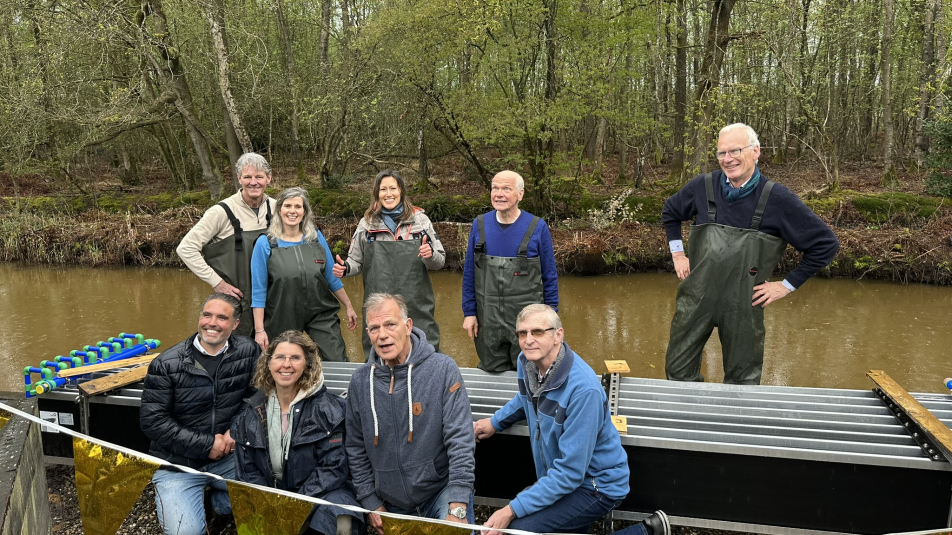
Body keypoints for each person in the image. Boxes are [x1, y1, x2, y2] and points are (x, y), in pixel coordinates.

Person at [662, 123, 839, 385]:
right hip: (696, 297)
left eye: (735, 151)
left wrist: (786, 286)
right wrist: (678, 254)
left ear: (756, 152)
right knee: (677, 372)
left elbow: (826, 244)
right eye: (722, 153)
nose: (728, 159)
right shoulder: (703, 186)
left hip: (744, 304)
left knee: (742, 381)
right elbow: (671, 211)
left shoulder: (778, 199)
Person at [472, 304, 668, 535]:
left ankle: (645, 532)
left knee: (517, 531)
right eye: (522, 333)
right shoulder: (527, 363)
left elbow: (570, 472)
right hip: (563, 477)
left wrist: (510, 510)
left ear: (558, 335)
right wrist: (495, 422)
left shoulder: (584, 391)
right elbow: (526, 398)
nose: (528, 340)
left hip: (597, 485)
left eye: (537, 332)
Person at [345, 293, 476, 535]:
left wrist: (457, 505)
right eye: (374, 328)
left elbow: (460, 439)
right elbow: (355, 446)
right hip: (392, 502)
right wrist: (370, 501)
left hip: (439, 492)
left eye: (390, 324)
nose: (382, 335)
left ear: (408, 326)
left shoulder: (442, 369)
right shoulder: (360, 382)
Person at [139, 293, 259, 535]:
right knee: (185, 532)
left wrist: (237, 429)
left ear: (235, 324)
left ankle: (218, 505)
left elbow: (258, 395)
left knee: (281, 493)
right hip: (177, 466)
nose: (212, 323)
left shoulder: (249, 350)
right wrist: (206, 445)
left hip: (231, 458)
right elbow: (153, 421)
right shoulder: (166, 364)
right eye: (207, 315)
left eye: (222, 317)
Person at [233, 330, 364, 535]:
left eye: (295, 358)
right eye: (279, 357)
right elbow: (247, 471)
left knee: (343, 520)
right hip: (273, 496)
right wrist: (272, 504)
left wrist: (295, 505)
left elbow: (333, 468)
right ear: (268, 363)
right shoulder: (251, 412)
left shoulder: (330, 409)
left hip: (323, 494)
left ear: (307, 365)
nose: (286, 364)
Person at [333, 170, 445, 357]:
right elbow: (355, 261)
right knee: (380, 355)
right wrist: (345, 268)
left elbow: (439, 261)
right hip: (378, 307)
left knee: (424, 355)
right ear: (377, 193)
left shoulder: (420, 221)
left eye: (393, 188)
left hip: (417, 306)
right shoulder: (366, 224)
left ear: (401, 190)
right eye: (383, 189)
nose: (388, 193)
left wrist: (430, 255)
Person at [461, 170, 558, 372]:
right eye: (495, 188)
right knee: (490, 373)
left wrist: (551, 319)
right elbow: (470, 273)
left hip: (528, 323)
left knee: (531, 372)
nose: (499, 194)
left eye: (506, 189)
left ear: (520, 194)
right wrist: (469, 313)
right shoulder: (479, 225)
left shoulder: (537, 227)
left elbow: (549, 277)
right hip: (488, 322)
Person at [250, 186, 358, 361]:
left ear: (304, 212)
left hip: (320, 312)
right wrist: (259, 330)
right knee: (282, 363)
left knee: (337, 358)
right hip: (282, 315)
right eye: (287, 206)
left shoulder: (315, 237)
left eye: (298, 206)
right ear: (279, 210)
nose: (292, 211)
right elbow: (258, 290)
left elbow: (331, 277)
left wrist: (349, 306)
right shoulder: (266, 243)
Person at [176, 153, 277, 336]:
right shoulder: (220, 212)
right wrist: (217, 282)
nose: (253, 182)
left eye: (259, 177)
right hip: (236, 301)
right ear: (239, 178)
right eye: (247, 177)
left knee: (274, 349)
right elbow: (186, 248)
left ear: (269, 178)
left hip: (271, 300)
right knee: (237, 349)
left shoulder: (278, 208)